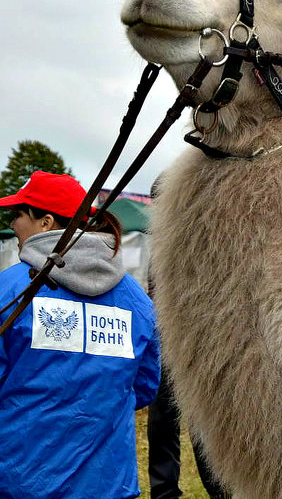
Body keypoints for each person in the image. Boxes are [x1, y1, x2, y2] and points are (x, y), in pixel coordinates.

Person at [0, 171, 160, 499]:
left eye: (17, 214)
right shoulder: (138, 301)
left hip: (22, 482)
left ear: (45, 222)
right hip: (110, 484)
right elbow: (145, 387)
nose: (13, 224)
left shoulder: (11, 292)